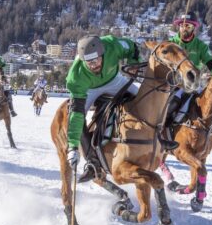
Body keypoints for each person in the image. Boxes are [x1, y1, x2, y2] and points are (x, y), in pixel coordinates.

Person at [67, 34, 171, 183]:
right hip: (89, 88)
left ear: (103, 53)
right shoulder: (75, 77)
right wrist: (72, 147)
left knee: (146, 100)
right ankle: (93, 162)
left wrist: (133, 62)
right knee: (78, 116)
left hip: (114, 81)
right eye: (89, 62)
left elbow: (132, 47)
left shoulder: (112, 45)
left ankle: (161, 137)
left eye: (96, 60)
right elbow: (76, 115)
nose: (94, 65)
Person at [163, 11, 212, 145]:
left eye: (188, 26)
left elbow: (209, 61)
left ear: (194, 28)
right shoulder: (172, 44)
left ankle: (207, 135)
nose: (184, 29)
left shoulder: (200, 46)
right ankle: (163, 133)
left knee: (209, 106)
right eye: (182, 26)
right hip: (176, 84)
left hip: (194, 84)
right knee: (172, 105)